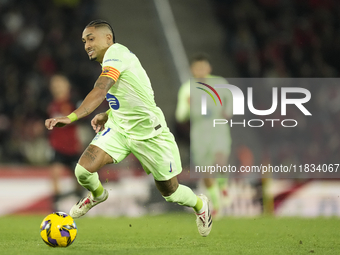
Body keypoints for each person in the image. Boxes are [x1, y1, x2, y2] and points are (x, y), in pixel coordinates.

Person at [45, 20, 212, 237]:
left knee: (170, 192)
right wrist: (107, 114)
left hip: (150, 133)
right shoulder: (110, 62)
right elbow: (128, 95)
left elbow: (101, 89)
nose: (86, 44)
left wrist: (72, 117)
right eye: (84, 41)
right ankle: (97, 195)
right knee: (83, 171)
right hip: (120, 129)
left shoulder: (117, 53)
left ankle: (200, 205)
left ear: (108, 39)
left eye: (91, 38)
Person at [176, 53, 232, 218]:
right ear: (192, 70)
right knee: (206, 171)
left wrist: (227, 112)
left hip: (218, 129)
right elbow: (180, 116)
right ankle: (216, 204)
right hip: (199, 132)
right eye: (197, 68)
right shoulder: (187, 88)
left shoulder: (220, 83)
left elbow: (231, 102)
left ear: (209, 68)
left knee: (220, 159)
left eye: (203, 67)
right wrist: (187, 106)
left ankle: (224, 188)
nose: (200, 71)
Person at [47, 74, 83, 210]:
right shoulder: (51, 105)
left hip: (73, 147)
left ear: (67, 86)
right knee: (55, 174)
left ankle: (81, 203)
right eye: (55, 85)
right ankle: (55, 207)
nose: (57, 88)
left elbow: (83, 117)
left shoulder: (73, 102)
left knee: (78, 179)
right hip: (57, 147)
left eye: (60, 84)